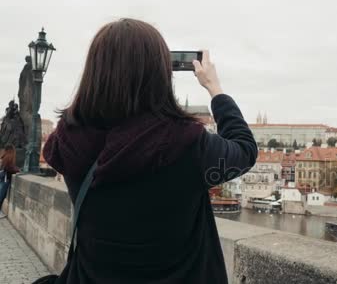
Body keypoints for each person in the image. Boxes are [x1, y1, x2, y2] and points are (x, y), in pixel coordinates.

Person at [42, 18, 257, 283]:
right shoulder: (188, 144)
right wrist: (215, 89)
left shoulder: (68, 139)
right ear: (159, 73)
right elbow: (245, 150)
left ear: (95, 71)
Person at [0, 144, 20, 218]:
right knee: (1, 195)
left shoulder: (3, 157)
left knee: (2, 195)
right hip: (5, 179)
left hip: (2, 178)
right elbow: (9, 168)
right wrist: (17, 170)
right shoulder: (8, 157)